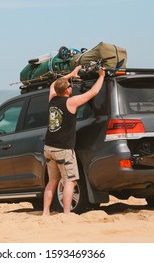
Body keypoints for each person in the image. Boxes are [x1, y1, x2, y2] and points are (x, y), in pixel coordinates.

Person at [42, 65, 106, 216]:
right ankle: (66, 213)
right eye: (70, 87)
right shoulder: (70, 102)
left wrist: (71, 74)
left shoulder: (52, 99)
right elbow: (93, 92)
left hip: (49, 148)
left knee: (52, 182)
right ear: (67, 91)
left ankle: (45, 213)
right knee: (69, 181)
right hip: (63, 150)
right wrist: (101, 76)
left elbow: (53, 84)